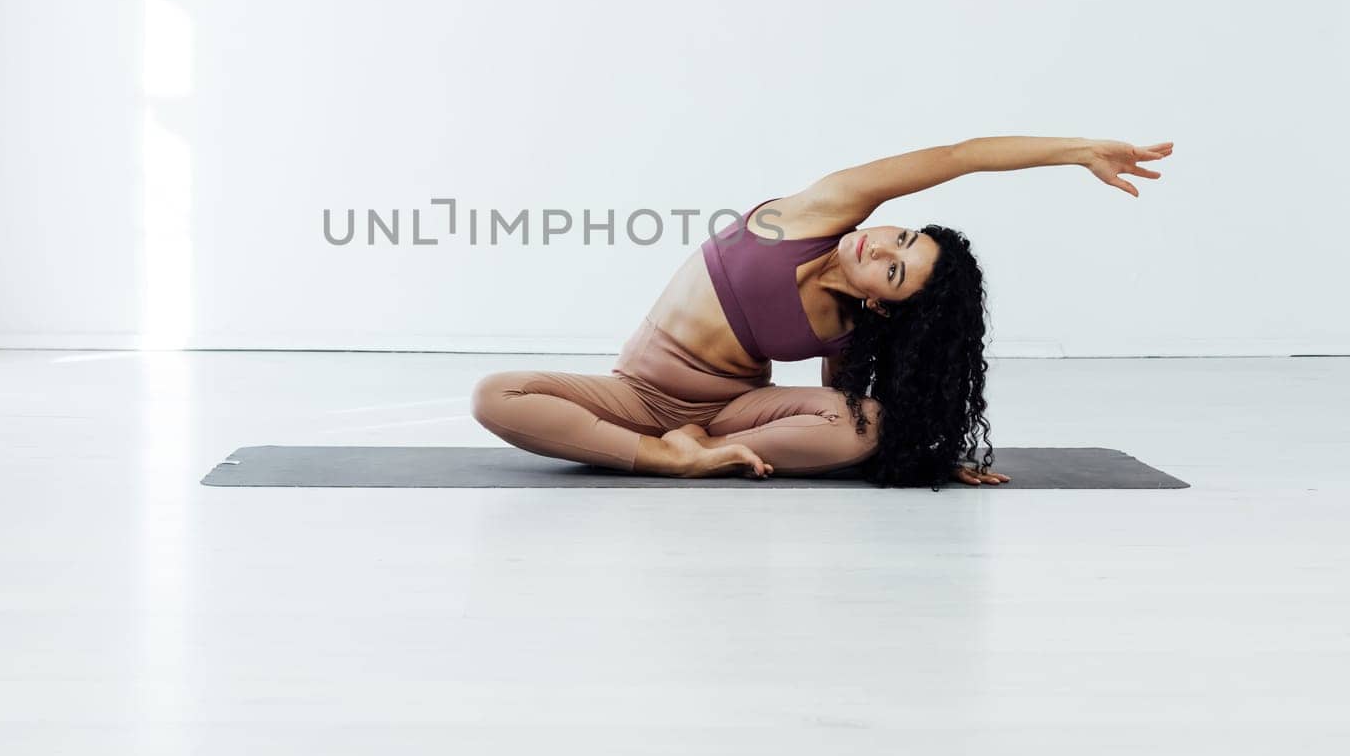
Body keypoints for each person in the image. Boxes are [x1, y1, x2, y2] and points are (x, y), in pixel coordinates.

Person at [471, 136, 1173, 488]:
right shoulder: (826, 209)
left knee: (863, 423)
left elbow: (847, 410)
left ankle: (702, 450)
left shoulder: (846, 324)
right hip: (634, 392)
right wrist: (1078, 150)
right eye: (901, 237)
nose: (881, 247)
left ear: (881, 300)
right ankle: (666, 456)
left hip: (725, 411)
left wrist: (923, 453)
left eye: (894, 270)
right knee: (494, 396)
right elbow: (958, 157)